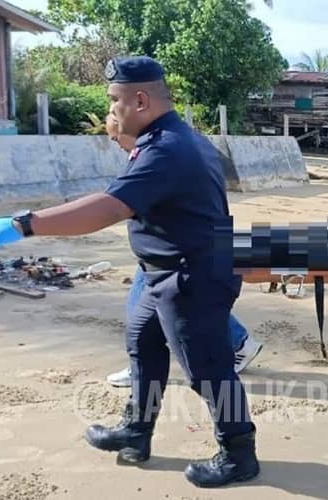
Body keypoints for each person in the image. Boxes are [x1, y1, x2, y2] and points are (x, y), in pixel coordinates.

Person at [0, 56, 259, 487]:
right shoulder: (175, 139)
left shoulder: (167, 148)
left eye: (113, 100)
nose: (110, 110)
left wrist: (24, 224)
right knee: (143, 346)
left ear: (140, 101)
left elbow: (108, 208)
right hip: (164, 272)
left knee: (208, 370)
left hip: (191, 276)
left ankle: (239, 453)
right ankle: (136, 431)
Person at [102, 114, 262, 387]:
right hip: (196, 245)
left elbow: (116, 204)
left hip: (180, 252)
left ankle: (143, 369)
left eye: (116, 138)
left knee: (157, 310)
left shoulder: (159, 152)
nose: (117, 145)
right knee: (191, 308)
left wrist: (31, 224)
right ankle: (238, 343)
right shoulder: (188, 143)